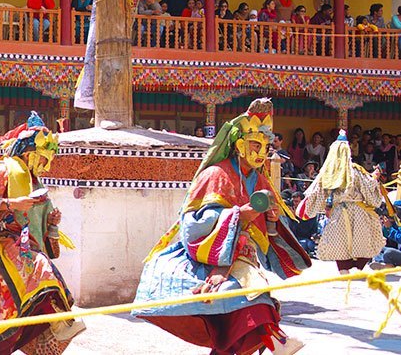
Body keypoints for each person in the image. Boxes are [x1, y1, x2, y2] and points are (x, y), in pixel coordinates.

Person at [133, 98, 309, 355]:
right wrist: (241, 215)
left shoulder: (260, 180)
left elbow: (268, 235)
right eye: (255, 145)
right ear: (239, 145)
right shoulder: (216, 174)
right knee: (253, 300)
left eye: (265, 146)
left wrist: (271, 221)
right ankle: (276, 339)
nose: (261, 152)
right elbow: (193, 226)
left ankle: (270, 339)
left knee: (238, 321)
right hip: (209, 254)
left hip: (244, 259)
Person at [0, 112, 82, 355]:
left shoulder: (35, 182)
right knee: (25, 294)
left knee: (22, 306)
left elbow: (41, 228)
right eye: (42, 159)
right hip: (0, 244)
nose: (45, 165)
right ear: (29, 153)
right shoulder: (4, 169)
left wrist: (52, 223)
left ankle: (47, 337)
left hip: (24, 246)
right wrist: (11, 204)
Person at [301, 131, 386, 274]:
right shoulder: (355, 170)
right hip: (359, 211)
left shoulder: (328, 171)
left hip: (339, 211)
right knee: (362, 240)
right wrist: (375, 177)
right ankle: (357, 268)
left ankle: (344, 269)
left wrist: (311, 207)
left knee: (340, 242)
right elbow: (368, 188)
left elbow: (317, 191)